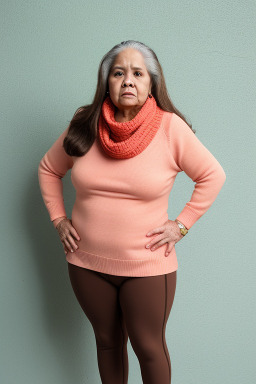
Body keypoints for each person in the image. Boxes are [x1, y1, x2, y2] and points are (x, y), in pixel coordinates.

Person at [38, 40, 226, 384]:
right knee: (107, 343)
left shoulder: (170, 128)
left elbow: (213, 175)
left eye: (138, 73)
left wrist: (181, 226)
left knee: (148, 347)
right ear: (106, 82)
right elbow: (49, 168)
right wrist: (58, 219)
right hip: (85, 264)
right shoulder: (85, 123)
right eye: (119, 72)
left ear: (151, 83)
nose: (128, 80)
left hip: (147, 267)